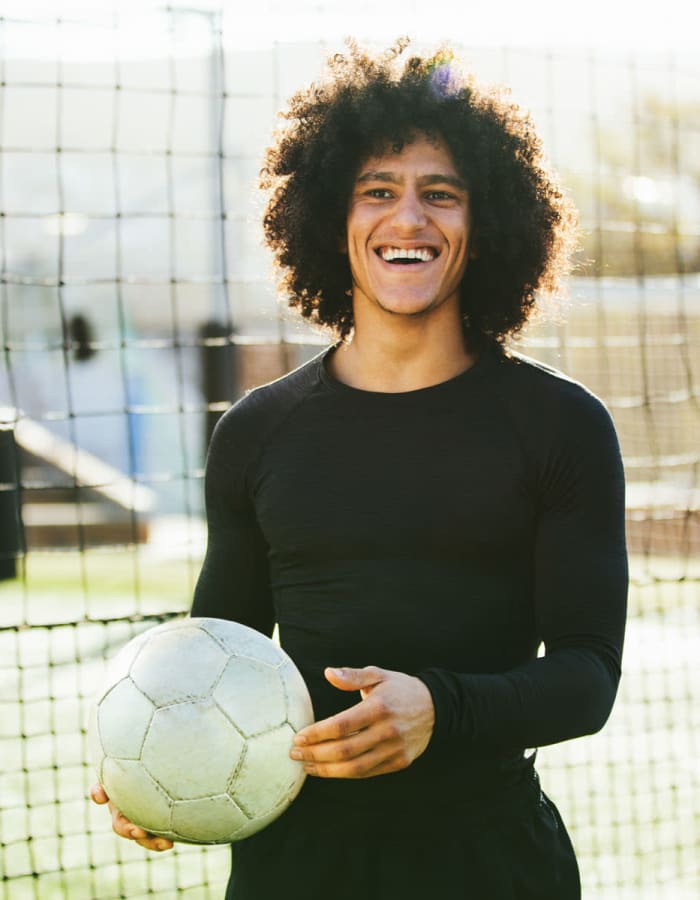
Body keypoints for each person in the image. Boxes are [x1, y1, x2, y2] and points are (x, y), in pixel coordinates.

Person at [92, 40, 628, 899]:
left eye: (440, 194)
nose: (407, 220)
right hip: (296, 868)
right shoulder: (256, 432)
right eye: (378, 191)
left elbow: (587, 676)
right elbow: (209, 662)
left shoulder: (562, 425)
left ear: (485, 224)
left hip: (489, 861)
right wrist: (159, 775)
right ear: (328, 220)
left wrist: (440, 709)